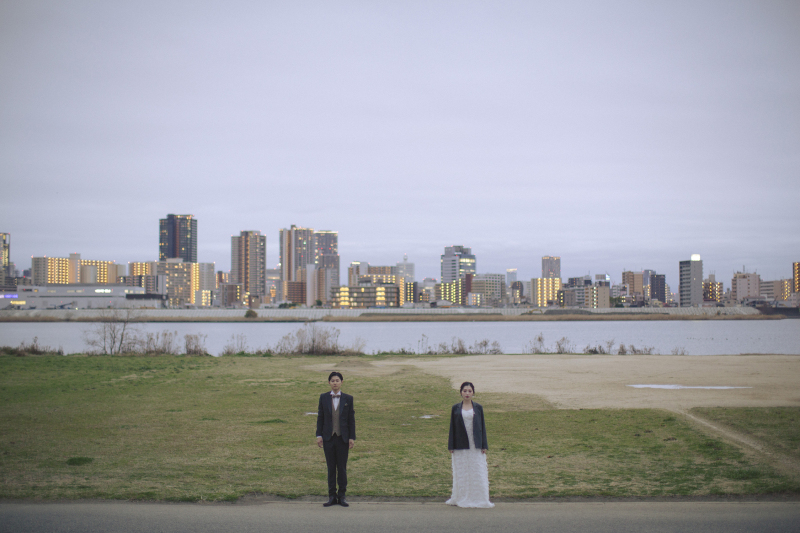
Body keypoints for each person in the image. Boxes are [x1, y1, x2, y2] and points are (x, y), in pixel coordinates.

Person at [446, 381, 494, 508]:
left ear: (473, 393)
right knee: (462, 470)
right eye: (465, 391)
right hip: (460, 444)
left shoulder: (478, 408)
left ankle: (479, 497)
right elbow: (452, 427)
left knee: (477, 469)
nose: (467, 393)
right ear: (461, 392)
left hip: (475, 443)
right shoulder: (455, 408)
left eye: (469, 391)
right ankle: (461, 496)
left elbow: (482, 427)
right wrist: (451, 445)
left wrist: (484, 445)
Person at [316, 371, 356, 507]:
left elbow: (351, 419)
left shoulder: (348, 399)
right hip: (328, 437)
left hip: (343, 438)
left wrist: (351, 437)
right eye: (332, 380)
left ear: (341, 382)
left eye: (337, 380)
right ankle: (332, 496)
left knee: (342, 468)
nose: (335, 383)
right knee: (331, 468)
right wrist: (319, 435)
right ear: (329, 383)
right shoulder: (323, 397)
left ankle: (342, 496)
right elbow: (320, 417)